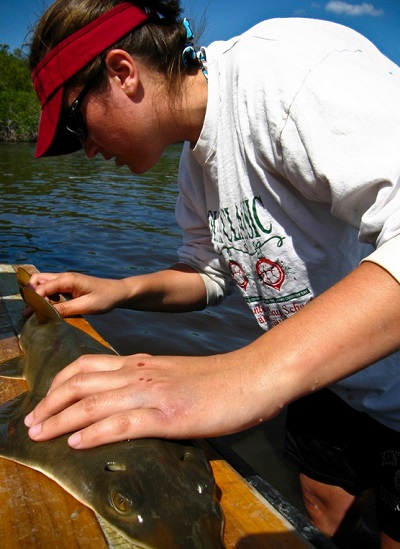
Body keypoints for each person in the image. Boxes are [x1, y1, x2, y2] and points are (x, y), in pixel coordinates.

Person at [25, 1, 400, 547]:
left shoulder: (288, 72)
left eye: (75, 123)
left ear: (122, 72)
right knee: (324, 507)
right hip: (324, 372)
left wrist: (245, 376)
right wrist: (120, 291)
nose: (86, 150)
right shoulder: (196, 162)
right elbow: (211, 274)